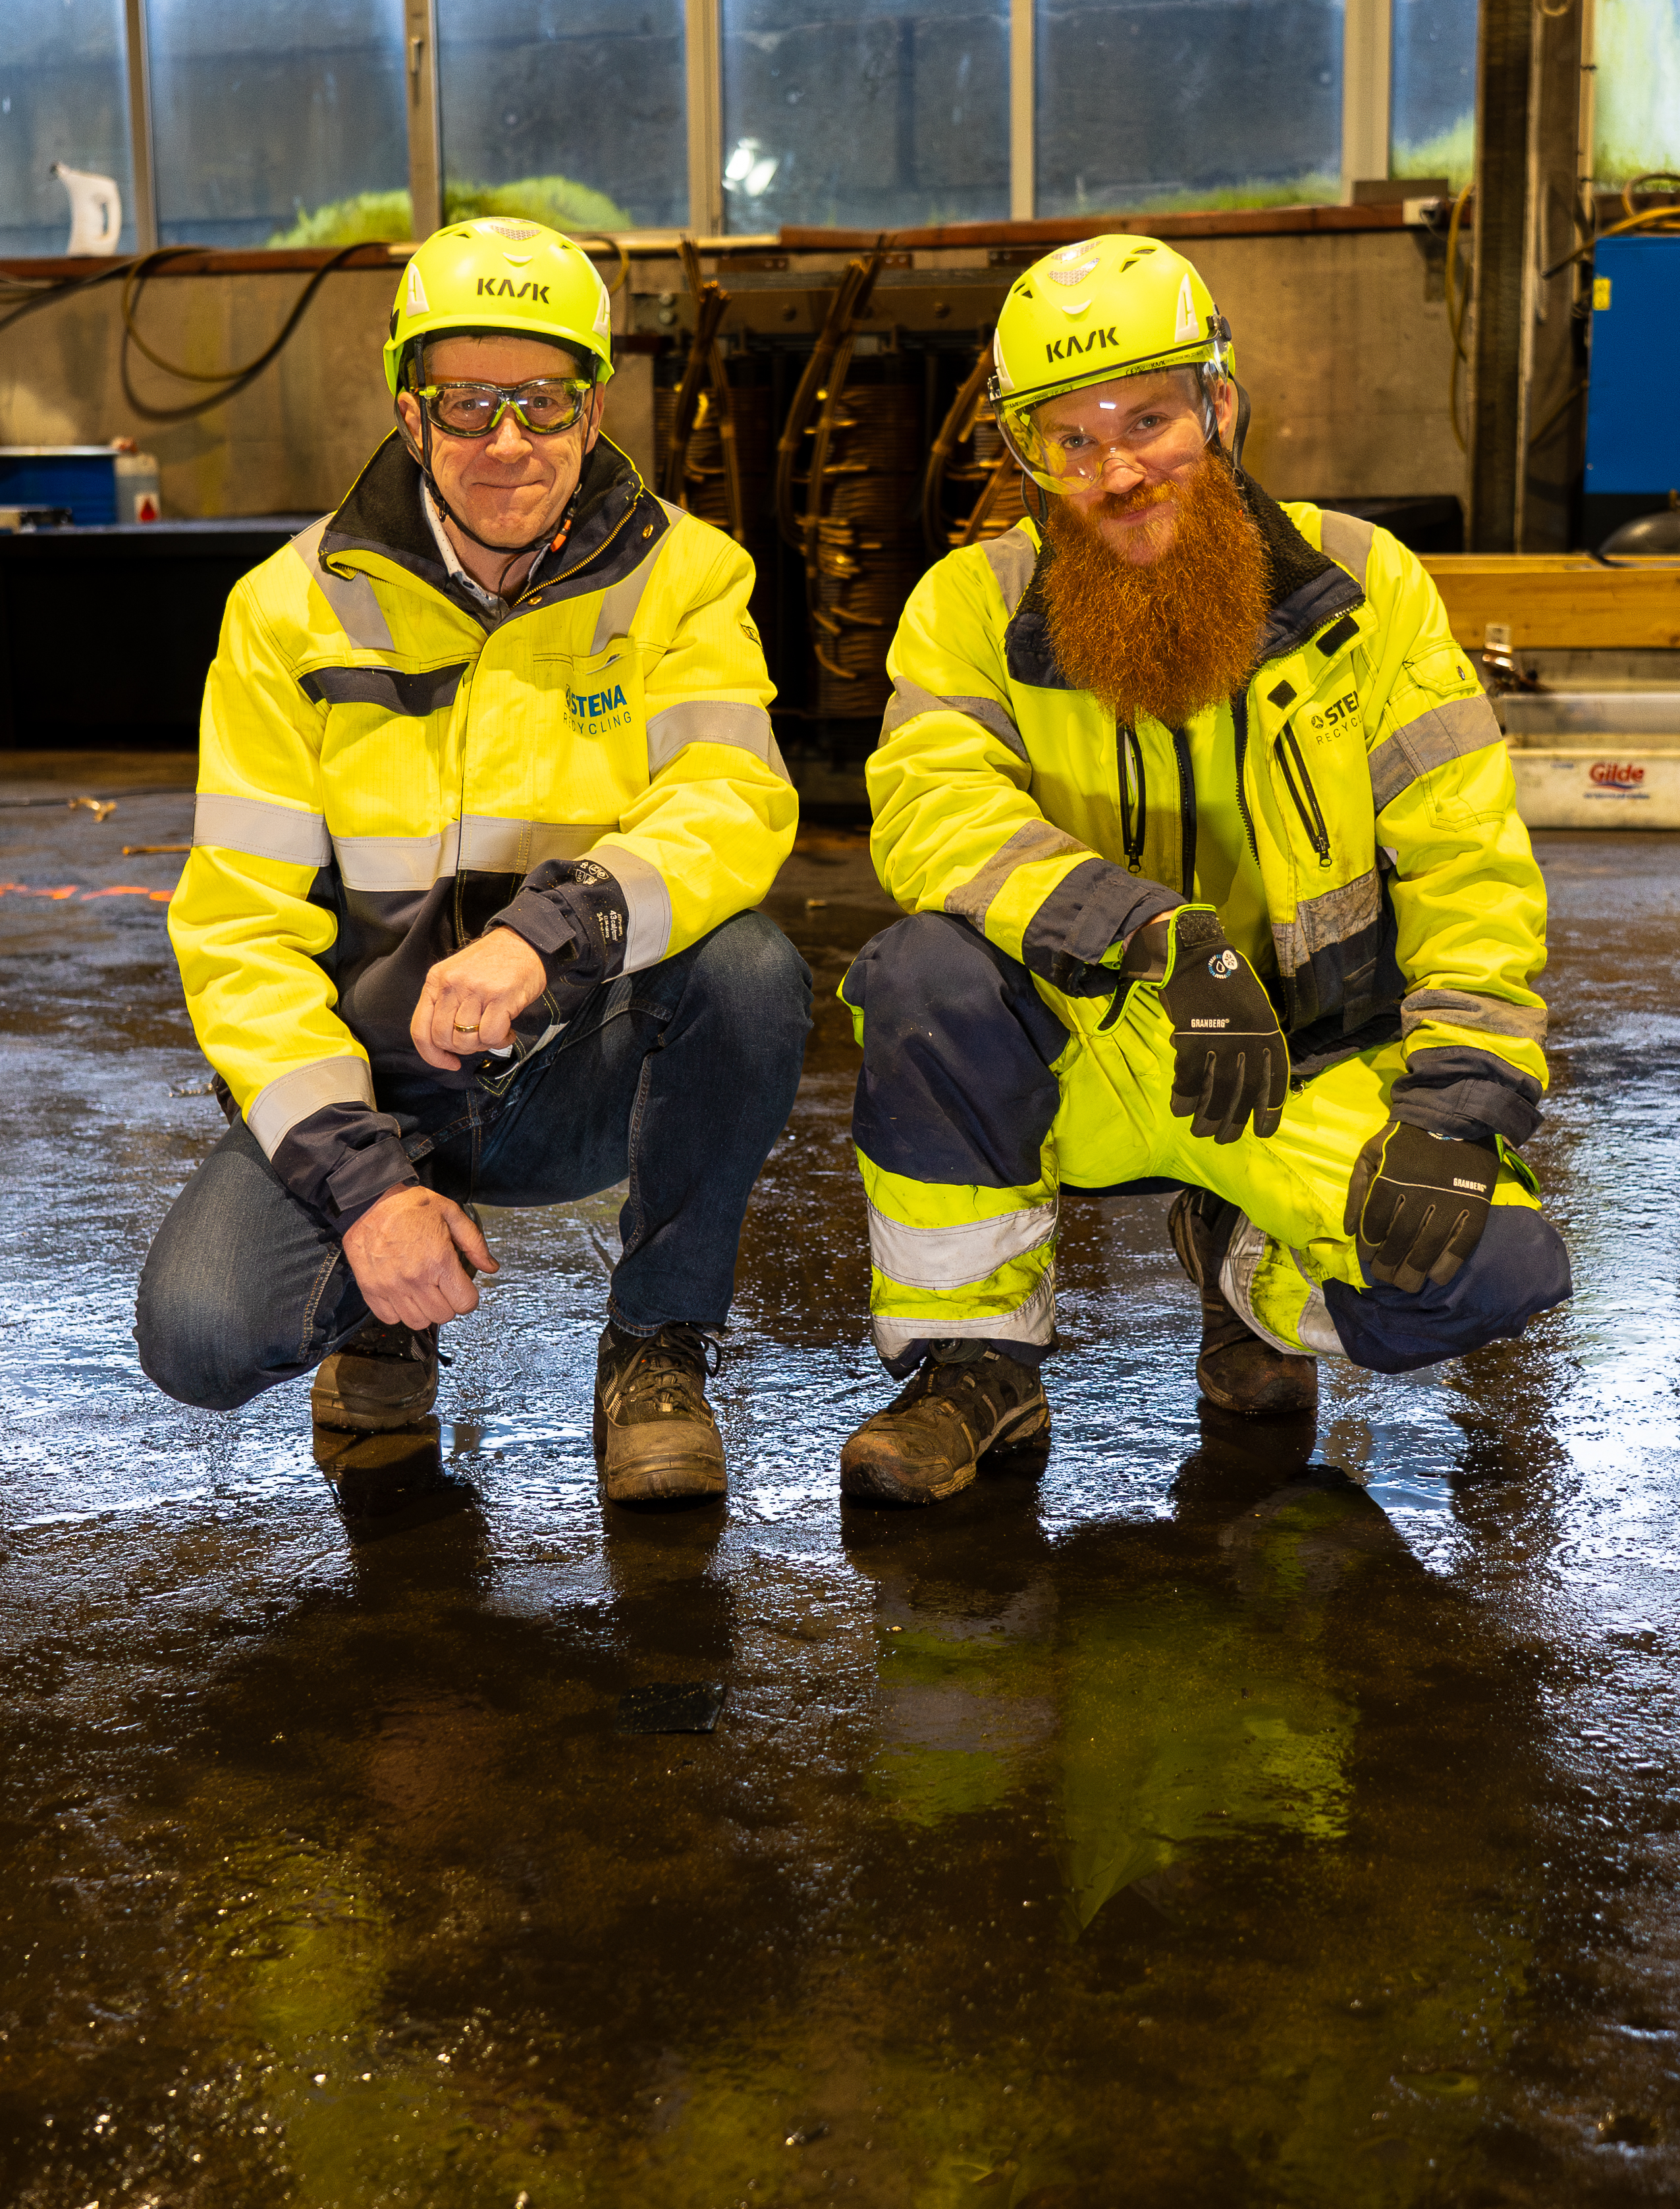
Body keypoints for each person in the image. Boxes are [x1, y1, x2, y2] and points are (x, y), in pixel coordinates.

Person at [836, 232, 1570, 1506]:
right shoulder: (971, 607)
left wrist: (1460, 1104)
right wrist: (1140, 931)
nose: (1119, 470)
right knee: (920, 975)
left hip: (1310, 1065)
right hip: (1094, 1050)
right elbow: (927, 807)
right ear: (1027, 460)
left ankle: (1246, 1273)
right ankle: (973, 1369)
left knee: (1494, 1269)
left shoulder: (1366, 590)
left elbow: (1470, 860)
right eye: (1072, 439)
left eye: (1152, 419)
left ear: (1221, 406)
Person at [137, 218, 810, 1509]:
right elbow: (239, 937)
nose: (509, 440)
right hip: (376, 1085)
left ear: (592, 407)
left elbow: (730, 799)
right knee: (203, 1336)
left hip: (573, 1068)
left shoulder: (684, 579)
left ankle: (657, 1347)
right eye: (467, 404)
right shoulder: (289, 611)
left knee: (748, 968)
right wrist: (361, 1182)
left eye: (542, 401)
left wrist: (547, 933)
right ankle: (388, 1308)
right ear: (409, 412)